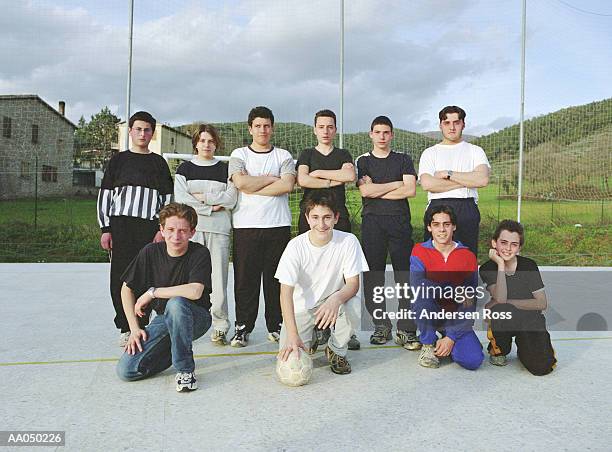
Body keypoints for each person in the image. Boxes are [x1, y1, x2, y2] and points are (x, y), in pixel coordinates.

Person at [116, 203, 212, 392]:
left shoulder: (200, 253)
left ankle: (185, 371)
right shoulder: (150, 252)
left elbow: (195, 291)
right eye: (170, 229)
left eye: (183, 231)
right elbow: (126, 289)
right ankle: (175, 350)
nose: (176, 236)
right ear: (161, 229)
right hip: (165, 319)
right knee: (127, 370)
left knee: (176, 303)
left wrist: (153, 292)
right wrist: (134, 329)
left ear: (192, 232)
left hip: (196, 318)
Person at [97, 111, 173, 347]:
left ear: (153, 133)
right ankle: (124, 326)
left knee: (148, 275)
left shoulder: (158, 163)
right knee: (120, 276)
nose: (142, 133)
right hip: (121, 226)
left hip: (149, 227)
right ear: (130, 131)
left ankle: (142, 323)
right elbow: (105, 196)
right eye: (138, 129)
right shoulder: (118, 161)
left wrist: (162, 229)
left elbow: (168, 199)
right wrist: (105, 228)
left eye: (147, 129)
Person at [276, 192, 368, 375]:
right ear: (307, 219)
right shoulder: (295, 246)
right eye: (315, 217)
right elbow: (285, 293)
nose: (321, 224)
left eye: (327, 217)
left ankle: (336, 350)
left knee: (355, 305)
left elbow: (353, 284)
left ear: (336, 218)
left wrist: (335, 300)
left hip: (331, 304)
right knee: (291, 358)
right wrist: (292, 335)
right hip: (302, 309)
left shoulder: (348, 241)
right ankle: (316, 334)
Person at [228, 106, 296, 347]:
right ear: (250, 129)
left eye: (266, 125)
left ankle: (275, 326)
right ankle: (242, 327)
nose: (262, 130)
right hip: (246, 226)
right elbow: (240, 182)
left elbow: (287, 185)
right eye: (258, 126)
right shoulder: (239, 154)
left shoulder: (284, 155)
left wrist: (252, 185)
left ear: (272, 128)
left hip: (277, 225)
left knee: (275, 280)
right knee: (245, 280)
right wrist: (270, 179)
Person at [296, 109, 360, 350]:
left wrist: (320, 174)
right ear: (315, 129)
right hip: (312, 220)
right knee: (312, 272)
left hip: (337, 217)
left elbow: (350, 175)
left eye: (330, 126)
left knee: (343, 274)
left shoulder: (342, 153)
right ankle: (316, 325)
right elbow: (303, 180)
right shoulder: (306, 153)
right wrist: (335, 180)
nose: (325, 131)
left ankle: (343, 328)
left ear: (335, 129)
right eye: (321, 127)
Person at [356, 115, 420, 349]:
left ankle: (406, 328)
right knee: (375, 276)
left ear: (392, 135)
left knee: (405, 275)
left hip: (399, 222)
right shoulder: (363, 161)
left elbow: (410, 190)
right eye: (378, 132)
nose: (382, 136)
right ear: (371, 134)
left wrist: (377, 189)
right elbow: (365, 192)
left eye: (386, 132)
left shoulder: (403, 159)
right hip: (373, 223)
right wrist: (396, 184)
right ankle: (381, 325)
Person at [174, 124, 236, 346]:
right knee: (189, 279)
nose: (206, 145)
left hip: (219, 230)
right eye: (202, 141)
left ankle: (220, 326)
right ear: (196, 144)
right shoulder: (184, 169)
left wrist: (203, 196)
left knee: (218, 280)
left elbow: (231, 199)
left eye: (211, 141)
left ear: (216, 144)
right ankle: (186, 321)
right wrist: (212, 204)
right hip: (193, 230)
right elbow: (182, 201)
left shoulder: (225, 169)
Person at [410, 205, 484, 370]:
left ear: (454, 226)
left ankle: (448, 340)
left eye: (447, 224)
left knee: (472, 360)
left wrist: (451, 337)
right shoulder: (419, 251)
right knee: (422, 295)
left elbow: (469, 301)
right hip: (431, 310)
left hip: (455, 316)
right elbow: (418, 287)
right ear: (429, 227)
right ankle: (428, 344)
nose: (442, 230)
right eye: (436, 224)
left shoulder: (467, 256)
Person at [479, 220, 557, 375]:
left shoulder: (529, 266)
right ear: (494, 243)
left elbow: (541, 303)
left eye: (514, 244)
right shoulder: (488, 268)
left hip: (529, 319)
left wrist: (505, 302)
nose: (508, 248)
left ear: (519, 247)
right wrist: (500, 265)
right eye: (503, 242)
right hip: (505, 317)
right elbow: (500, 300)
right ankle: (499, 348)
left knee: (541, 368)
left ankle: (527, 346)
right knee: (501, 309)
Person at [418, 105, 490, 255]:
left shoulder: (475, 151)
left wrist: (448, 173)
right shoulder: (430, 153)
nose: (452, 127)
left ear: (463, 124)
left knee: (465, 259)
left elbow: (482, 179)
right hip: (437, 207)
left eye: (456, 122)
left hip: (466, 207)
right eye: (447, 123)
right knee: (434, 260)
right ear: (440, 125)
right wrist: (467, 180)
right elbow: (427, 184)